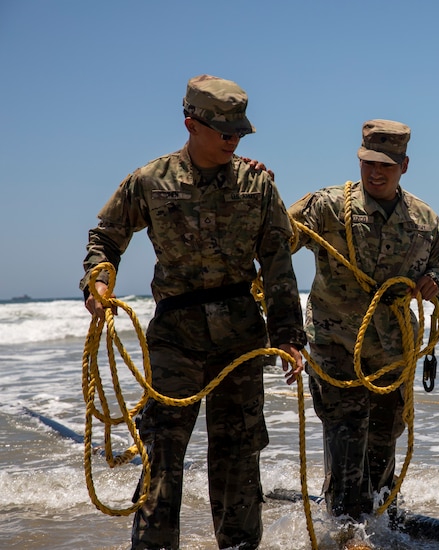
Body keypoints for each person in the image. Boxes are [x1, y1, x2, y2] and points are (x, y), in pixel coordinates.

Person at [80, 74, 306, 550]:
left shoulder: (258, 185)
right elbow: (106, 236)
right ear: (191, 124)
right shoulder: (150, 181)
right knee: (163, 454)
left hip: (242, 340)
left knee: (239, 457)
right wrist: (98, 280)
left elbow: (279, 263)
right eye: (224, 131)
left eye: (239, 132)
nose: (233, 140)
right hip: (175, 340)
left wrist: (288, 335)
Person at [288, 119, 439, 521]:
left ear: (405, 165)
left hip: (393, 353)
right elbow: (276, 237)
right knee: (346, 439)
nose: (376, 173)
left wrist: (435, 282)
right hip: (336, 348)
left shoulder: (425, 220)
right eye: (369, 163)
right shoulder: (327, 206)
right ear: (359, 160)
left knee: (383, 441)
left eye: (387, 165)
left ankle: (380, 524)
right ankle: (346, 531)